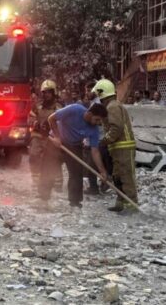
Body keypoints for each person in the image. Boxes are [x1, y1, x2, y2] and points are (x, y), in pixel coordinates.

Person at [47, 102, 108, 208]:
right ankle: (43, 197)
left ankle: (75, 202)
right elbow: (51, 118)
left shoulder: (94, 130)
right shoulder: (74, 109)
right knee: (48, 168)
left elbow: (95, 151)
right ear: (89, 113)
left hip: (74, 145)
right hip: (57, 141)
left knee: (76, 173)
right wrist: (57, 137)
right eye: (97, 119)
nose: (98, 123)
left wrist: (102, 171)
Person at [92, 79, 139, 214]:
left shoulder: (112, 106)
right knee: (117, 176)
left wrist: (105, 141)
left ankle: (131, 205)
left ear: (102, 93)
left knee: (126, 176)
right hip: (118, 148)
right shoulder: (112, 106)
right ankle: (120, 202)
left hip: (123, 147)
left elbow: (116, 128)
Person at [28, 80, 62, 201]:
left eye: (49, 92)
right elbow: (30, 118)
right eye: (44, 92)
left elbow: (63, 122)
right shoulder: (37, 106)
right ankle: (35, 182)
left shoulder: (59, 108)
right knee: (33, 155)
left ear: (53, 93)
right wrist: (35, 123)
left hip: (52, 137)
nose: (46, 95)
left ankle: (57, 183)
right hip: (38, 135)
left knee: (54, 159)